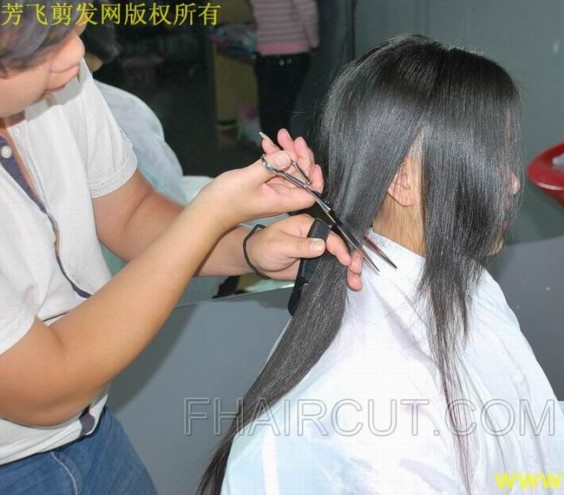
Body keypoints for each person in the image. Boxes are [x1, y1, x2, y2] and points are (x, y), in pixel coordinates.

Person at [0, 2, 361, 493]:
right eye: (42, 47)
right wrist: (211, 212)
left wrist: (250, 247)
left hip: (92, 431)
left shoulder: (63, 79)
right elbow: (49, 385)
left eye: (71, 24)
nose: (75, 54)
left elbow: (131, 214)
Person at [199, 34, 564, 494]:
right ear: (403, 181)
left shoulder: (460, 278)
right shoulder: (379, 403)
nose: (513, 183)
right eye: (489, 158)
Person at [80, 17, 228, 304]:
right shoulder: (119, 111)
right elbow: (163, 194)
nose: (73, 51)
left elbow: (136, 210)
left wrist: (251, 247)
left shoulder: (106, 108)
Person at [251, 0, 319, 139]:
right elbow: (308, 10)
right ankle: (282, 151)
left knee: (271, 115)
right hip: (292, 51)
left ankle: (278, 151)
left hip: (267, 53)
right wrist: (314, 42)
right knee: (280, 115)